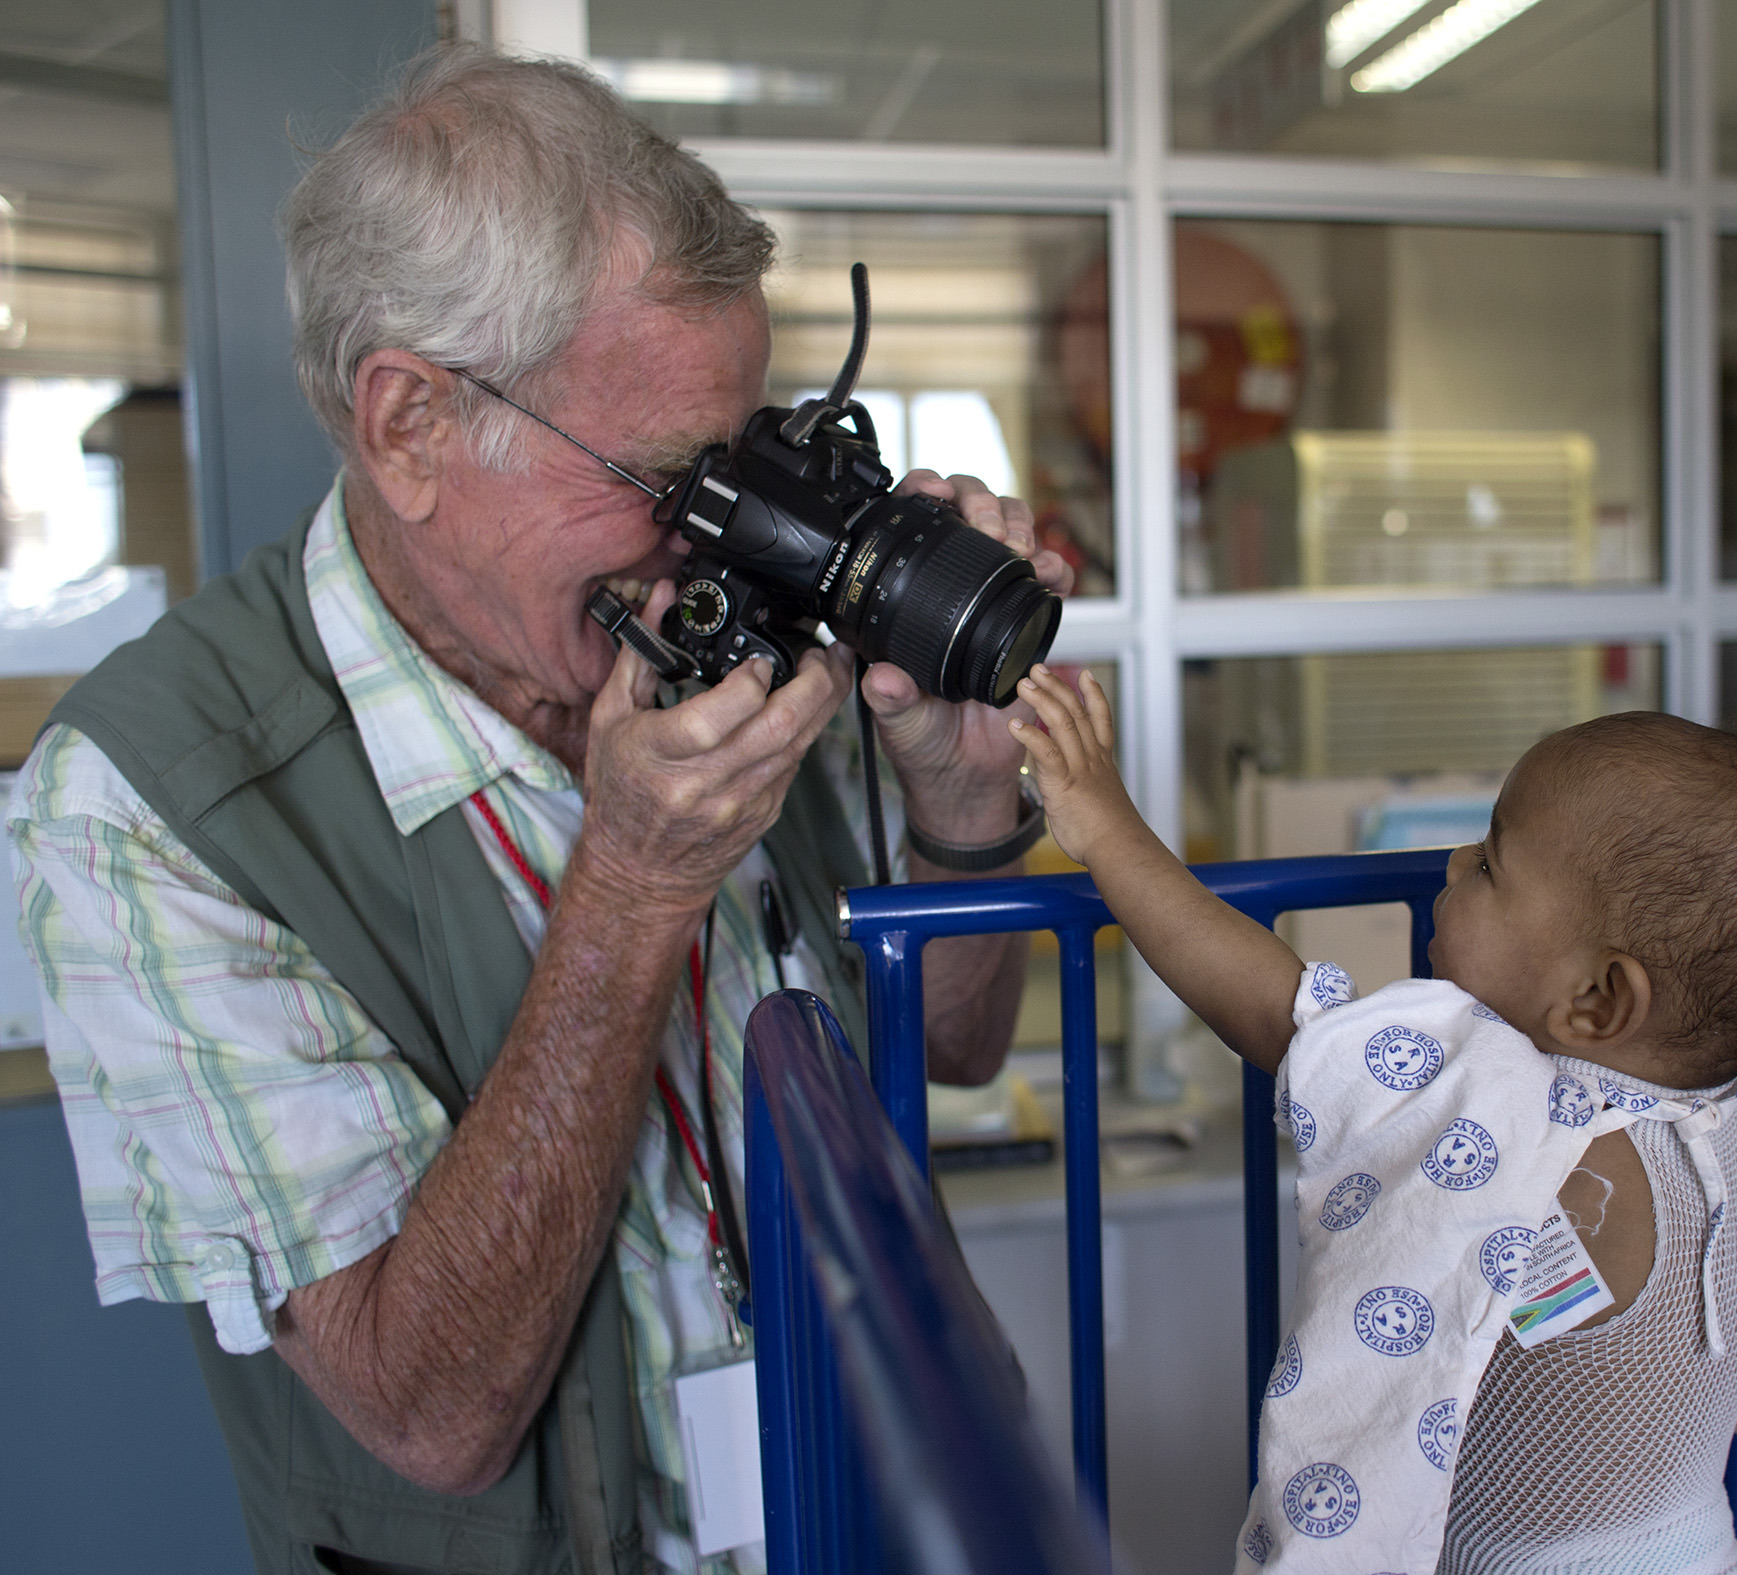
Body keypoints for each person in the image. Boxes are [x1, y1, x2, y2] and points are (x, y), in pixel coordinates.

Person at [7, 46, 1070, 1575]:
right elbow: (431, 1412)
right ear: (411, 428)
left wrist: (961, 799)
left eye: (748, 447)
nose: (729, 527)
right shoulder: (140, 806)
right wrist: (633, 889)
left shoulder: (723, 634)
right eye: (669, 471)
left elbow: (954, 1046)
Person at [1010, 673, 1737, 1575]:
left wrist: (1107, 829)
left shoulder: (1501, 1099)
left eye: (1492, 864)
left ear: (1597, 999)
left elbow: (1278, 1013)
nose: (1453, 863)